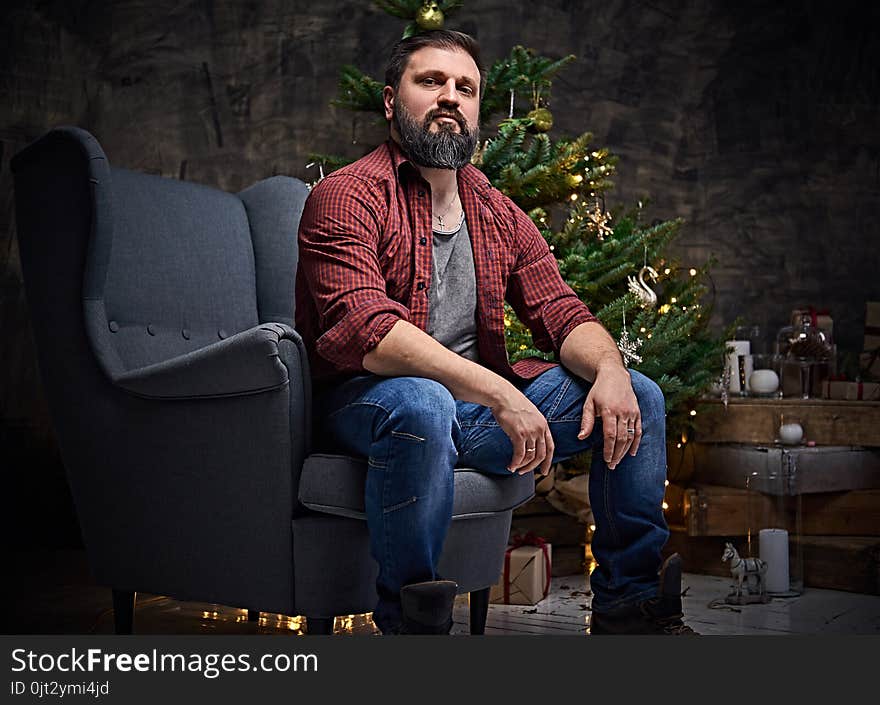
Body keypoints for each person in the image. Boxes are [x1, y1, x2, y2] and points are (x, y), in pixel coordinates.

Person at [295, 29, 696, 635]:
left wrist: (610, 372)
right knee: (423, 400)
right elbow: (370, 333)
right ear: (389, 101)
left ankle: (629, 605)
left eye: (466, 88)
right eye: (430, 82)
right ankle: (413, 624)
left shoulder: (495, 210)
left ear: (478, 108)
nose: (450, 97)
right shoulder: (345, 196)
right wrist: (503, 394)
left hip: (471, 416)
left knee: (637, 393)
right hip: (371, 406)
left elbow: (562, 311)